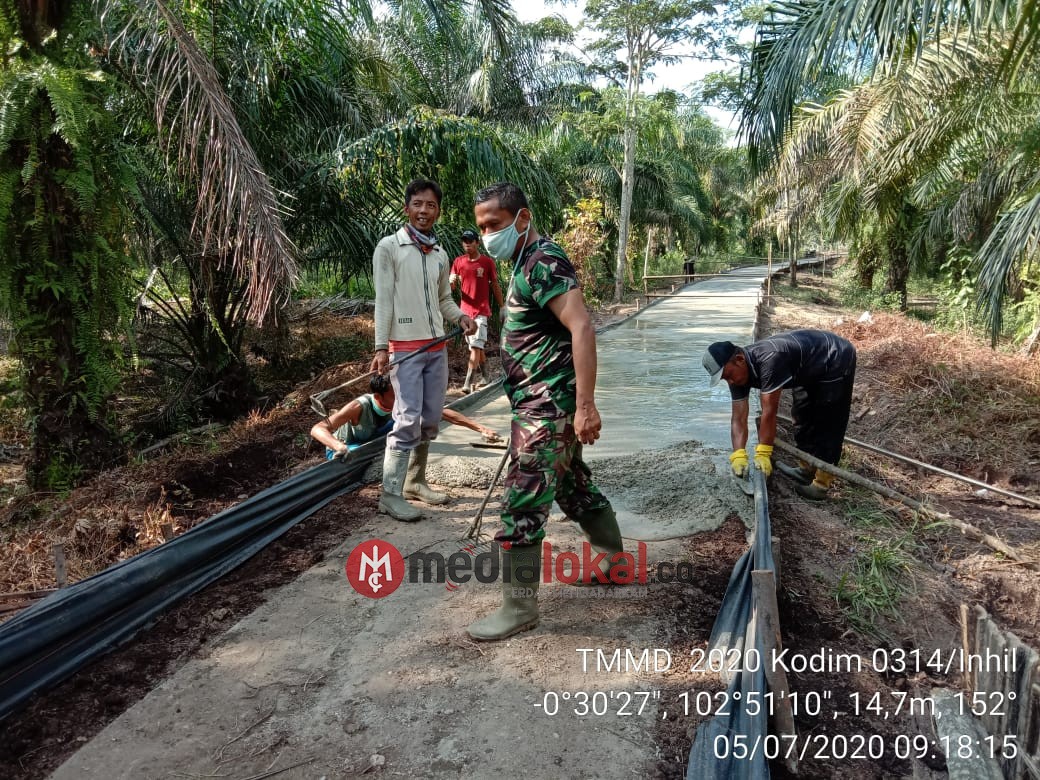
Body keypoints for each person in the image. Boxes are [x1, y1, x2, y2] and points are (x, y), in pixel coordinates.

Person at [467, 182, 623, 643]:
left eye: (494, 224)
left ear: (522, 218)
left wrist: (586, 406)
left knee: (522, 502)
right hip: (541, 406)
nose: (487, 234)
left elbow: (582, 326)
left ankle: (519, 608)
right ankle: (613, 561)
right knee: (572, 485)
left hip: (547, 408)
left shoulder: (543, 261)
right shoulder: (523, 262)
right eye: (481, 226)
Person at [371, 178, 477, 521]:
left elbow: (444, 300)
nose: (424, 211)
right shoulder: (389, 247)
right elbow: (383, 300)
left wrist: (460, 316)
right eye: (418, 204)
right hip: (405, 349)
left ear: (438, 211)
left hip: (436, 347)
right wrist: (381, 348)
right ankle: (390, 494)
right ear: (407, 208)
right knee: (407, 418)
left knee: (430, 418)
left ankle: (415, 482)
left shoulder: (440, 254)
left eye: (431, 205)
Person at [701, 329, 857, 501]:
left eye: (728, 376)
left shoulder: (770, 359)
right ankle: (806, 469)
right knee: (801, 415)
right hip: (806, 366)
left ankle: (821, 483)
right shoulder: (737, 372)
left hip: (835, 357)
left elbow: (769, 412)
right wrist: (738, 454)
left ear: (739, 360)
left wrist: (763, 452)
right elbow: (738, 418)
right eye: (724, 379)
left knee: (827, 419)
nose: (730, 382)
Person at [310, 375, 502, 459]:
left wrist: (480, 428)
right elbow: (318, 428)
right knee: (356, 453)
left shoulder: (403, 402)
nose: (402, 397)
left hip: (375, 441)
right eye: (395, 394)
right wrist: (338, 446)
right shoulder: (359, 407)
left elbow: (442, 412)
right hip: (349, 448)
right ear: (378, 396)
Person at [451, 229, 505, 393]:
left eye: (470, 240)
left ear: (477, 242)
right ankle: (486, 375)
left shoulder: (487, 262)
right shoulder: (458, 262)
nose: (467, 243)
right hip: (465, 314)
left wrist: (502, 306)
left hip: (481, 312)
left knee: (475, 346)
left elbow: (495, 285)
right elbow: (451, 285)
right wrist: (451, 282)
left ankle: (468, 382)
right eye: (464, 241)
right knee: (476, 347)